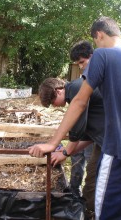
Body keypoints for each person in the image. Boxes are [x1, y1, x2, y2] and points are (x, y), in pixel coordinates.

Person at [29, 16, 121, 220]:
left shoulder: (102, 55)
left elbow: (79, 102)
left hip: (118, 153)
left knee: (105, 213)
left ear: (99, 35)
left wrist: (53, 143)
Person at [39, 77, 104, 218]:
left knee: (103, 181)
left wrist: (65, 152)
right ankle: (89, 212)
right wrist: (65, 152)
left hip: (114, 140)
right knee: (92, 176)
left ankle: (97, 213)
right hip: (102, 140)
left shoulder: (76, 87)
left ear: (58, 90)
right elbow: (87, 136)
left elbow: (77, 129)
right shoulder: (74, 94)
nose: (54, 106)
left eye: (52, 102)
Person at [68, 41, 94, 198]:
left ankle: (89, 204)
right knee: (77, 159)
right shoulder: (84, 80)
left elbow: (80, 110)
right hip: (87, 132)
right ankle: (74, 192)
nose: (81, 67)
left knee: (93, 167)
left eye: (83, 62)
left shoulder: (81, 84)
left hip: (95, 134)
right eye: (79, 64)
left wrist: (67, 148)